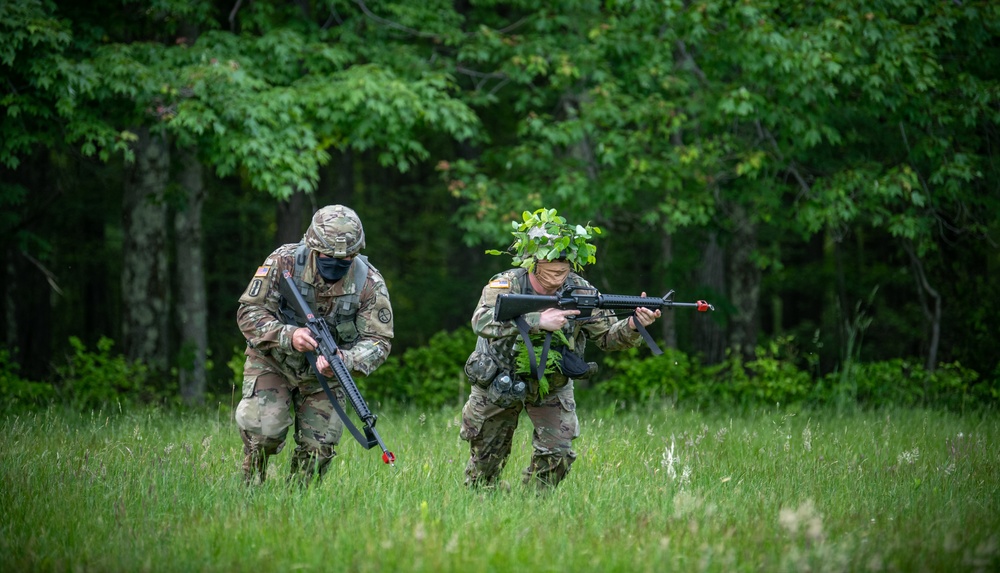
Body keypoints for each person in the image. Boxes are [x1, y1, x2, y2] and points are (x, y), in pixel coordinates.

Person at [460, 208, 661, 490]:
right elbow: (481, 321)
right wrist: (537, 320)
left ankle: (532, 507)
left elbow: (607, 338)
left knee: (559, 453)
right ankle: (482, 505)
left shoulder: (580, 290)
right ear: (532, 264)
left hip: (551, 383)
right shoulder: (506, 284)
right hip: (499, 379)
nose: (558, 279)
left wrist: (634, 325)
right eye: (551, 272)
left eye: (563, 272)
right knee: (486, 462)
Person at [235, 204, 394, 485]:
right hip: (274, 361)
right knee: (264, 434)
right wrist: (288, 335)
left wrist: (346, 360)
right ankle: (250, 490)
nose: (336, 262)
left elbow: (378, 341)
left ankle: (297, 503)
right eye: (327, 256)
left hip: (325, 374)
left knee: (320, 448)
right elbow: (249, 314)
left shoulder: (369, 282)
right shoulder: (283, 262)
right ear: (312, 246)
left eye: (345, 259)